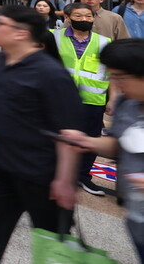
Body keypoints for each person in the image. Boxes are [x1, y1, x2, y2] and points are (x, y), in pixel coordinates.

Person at [0, 5, 83, 264]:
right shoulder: (3, 59)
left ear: (21, 33)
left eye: (1, 24)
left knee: (52, 239)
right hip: (2, 165)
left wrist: (65, 179)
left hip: (42, 174)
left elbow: (69, 131)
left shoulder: (50, 73)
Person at [63, 38, 144, 262]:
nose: (115, 84)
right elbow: (119, 144)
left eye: (120, 77)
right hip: (137, 220)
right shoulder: (128, 104)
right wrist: (87, 141)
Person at [52, 3, 114, 196]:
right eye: (79, 16)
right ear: (68, 18)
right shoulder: (53, 37)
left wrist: (112, 99)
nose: (84, 19)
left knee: (90, 140)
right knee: (55, 136)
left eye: (88, 16)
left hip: (93, 100)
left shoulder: (105, 42)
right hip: (59, 99)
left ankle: (83, 176)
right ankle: (53, 172)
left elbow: (113, 73)